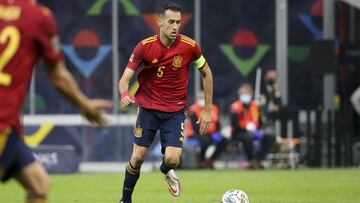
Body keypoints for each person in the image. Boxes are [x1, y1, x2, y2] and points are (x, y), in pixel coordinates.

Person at [0, 0, 113, 202]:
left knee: (38, 183)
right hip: (3, 118)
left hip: (9, 124)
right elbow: (58, 76)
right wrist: (85, 105)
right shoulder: (39, 17)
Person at [118, 2, 213, 202]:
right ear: (159, 22)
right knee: (137, 158)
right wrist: (125, 94)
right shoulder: (145, 47)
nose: (176, 26)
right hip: (148, 109)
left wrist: (207, 109)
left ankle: (165, 171)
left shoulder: (190, 46)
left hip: (175, 111)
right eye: (171, 22)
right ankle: (125, 200)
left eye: (178, 22)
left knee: (172, 159)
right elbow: (125, 79)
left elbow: (206, 73)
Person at [229, 84, 275, 169]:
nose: (244, 96)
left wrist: (259, 130)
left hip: (255, 131)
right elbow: (234, 125)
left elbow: (262, 121)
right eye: (242, 94)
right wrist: (246, 128)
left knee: (271, 137)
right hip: (239, 133)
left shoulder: (256, 106)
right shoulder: (235, 107)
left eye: (246, 93)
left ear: (251, 94)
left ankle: (257, 159)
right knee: (248, 138)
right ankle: (252, 160)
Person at [185, 91, 227, 169]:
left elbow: (218, 123)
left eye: (204, 98)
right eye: (201, 98)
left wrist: (217, 133)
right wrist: (209, 132)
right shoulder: (193, 109)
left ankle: (211, 160)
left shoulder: (214, 108)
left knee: (224, 140)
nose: (202, 99)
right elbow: (195, 126)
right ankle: (202, 161)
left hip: (211, 134)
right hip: (195, 133)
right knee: (205, 141)